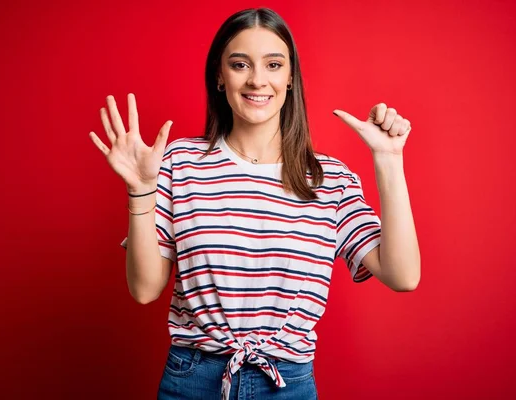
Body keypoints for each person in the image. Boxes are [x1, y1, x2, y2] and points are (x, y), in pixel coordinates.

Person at [89, 7, 420, 400]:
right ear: (219, 75)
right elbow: (145, 289)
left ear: (291, 77)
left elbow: (403, 276)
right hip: (193, 378)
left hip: (288, 382)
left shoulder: (328, 179)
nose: (257, 80)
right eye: (240, 64)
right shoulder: (178, 163)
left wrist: (389, 160)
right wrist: (141, 190)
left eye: (274, 64)